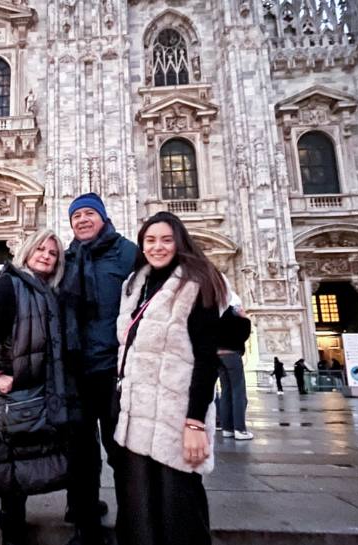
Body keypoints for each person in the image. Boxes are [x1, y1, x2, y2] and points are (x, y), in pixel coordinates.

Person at [113, 211, 226, 545]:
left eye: (165, 239)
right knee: (140, 511)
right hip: (136, 416)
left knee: (179, 509)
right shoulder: (135, 284)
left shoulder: (197, 282)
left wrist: (194, 423)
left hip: (175, 417)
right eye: (150, 240)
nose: (157, 247)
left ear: (179, 242)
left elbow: (206, 360)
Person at [0, 229, 75, 545]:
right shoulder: (11, 283)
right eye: (40, 249)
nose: (45, 255)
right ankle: (11, 529)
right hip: (11, 392)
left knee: (27, 457)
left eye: (52, 252)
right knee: (11, 460)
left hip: (38, 389)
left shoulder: (48, 290)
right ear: (27, 252)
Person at [60, 192, 138, 545]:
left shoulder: (128, 253)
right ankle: (85, 521)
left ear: (103, 217)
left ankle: (132, 521)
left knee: (120, 449)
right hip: (76, 369)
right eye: (77, 216)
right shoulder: (67, 258)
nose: (82, 220)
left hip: (114, 370)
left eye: (89, 213)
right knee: (80, 451)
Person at [217, 293, 253, 441]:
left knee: (225, 391)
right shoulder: (234, 315)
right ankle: (240, 429)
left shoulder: (216, 314)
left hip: (218, 355)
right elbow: (244, 334)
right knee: (238, 392)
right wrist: (244, 318)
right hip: (232, 355)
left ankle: (227, 428)